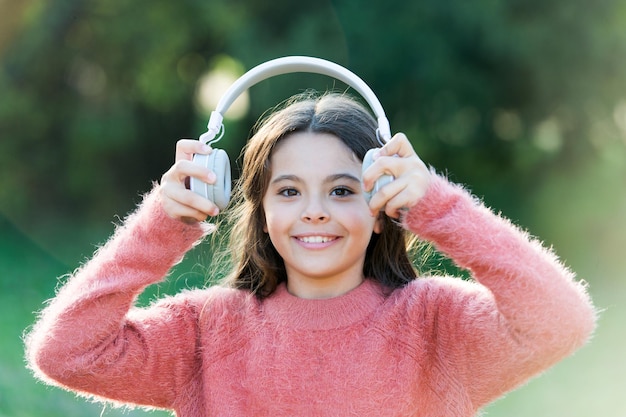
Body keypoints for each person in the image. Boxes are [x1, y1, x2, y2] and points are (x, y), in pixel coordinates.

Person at [25, 92, 596, 417]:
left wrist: (439, 208)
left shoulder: (434, 323)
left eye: (343, 191)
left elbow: (561, 320)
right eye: (289, 191)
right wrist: (159, 226)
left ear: (381, 206)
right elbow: (65, 352)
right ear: (262, 211)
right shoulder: (206, 330)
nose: (315, 211)